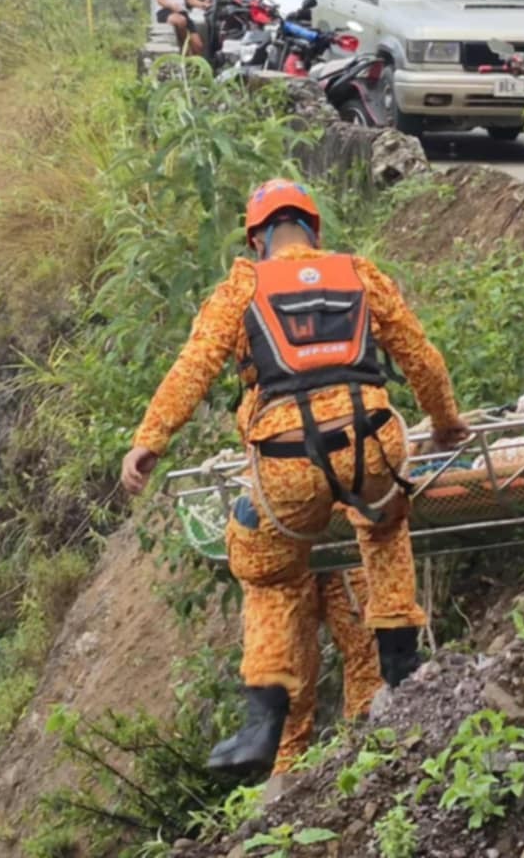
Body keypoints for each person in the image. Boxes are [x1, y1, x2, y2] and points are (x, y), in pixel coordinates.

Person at [120, 179, 470, 783]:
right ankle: (404, 666)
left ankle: (263, 722)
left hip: (288, 460)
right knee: (383, 533)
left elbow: (195, 366)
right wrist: (445, 423)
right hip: (372, 445)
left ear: (257, 238)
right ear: (315, 232)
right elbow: (421, 357)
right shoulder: (359, 273)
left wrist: (150, 440)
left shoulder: (244, 286)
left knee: (269, 570)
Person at [277, 570, 381, 773]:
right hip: (287, 556)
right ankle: (285, 773)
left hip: (345, 550)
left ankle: (367, 743)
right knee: (290, 663)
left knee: (366, 644)